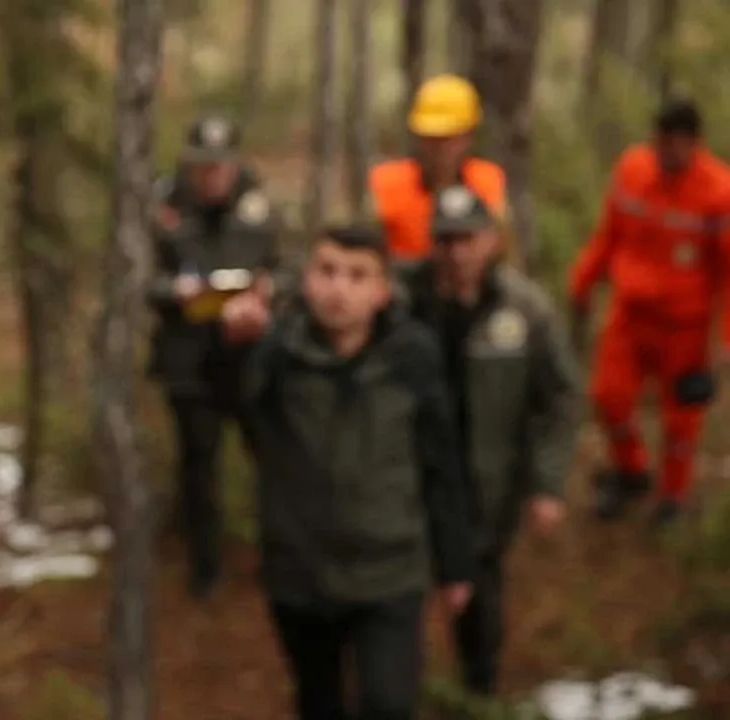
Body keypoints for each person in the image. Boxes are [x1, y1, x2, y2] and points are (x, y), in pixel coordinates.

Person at [221, 225, 475, 720]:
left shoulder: (412, 356)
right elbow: (233, 416)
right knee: (319, 704)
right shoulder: (277, 354)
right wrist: (233, 348)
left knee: (388, 704)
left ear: (382, 292)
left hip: (389, 573)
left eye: (358, 276)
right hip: (300, 573)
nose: (339, 289)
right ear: (307, 279)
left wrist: (456, 565)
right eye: (328, 271)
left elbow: (441, 463)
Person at [398, 186, 579, 697]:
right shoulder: (403, 303)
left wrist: (546, 484)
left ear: (491, 241)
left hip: (489, 484)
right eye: (445, 240)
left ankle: (479, 692)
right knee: (401, 595)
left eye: (468, 240)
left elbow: (561, 397)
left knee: (480, 594)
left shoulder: (525, 310)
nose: (456, 253)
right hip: (411, 479)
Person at [568, 99, 730, 526]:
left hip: (685, 328)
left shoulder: (717, 191)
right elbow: (609, 234)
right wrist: (583, 281)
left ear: (694, 143)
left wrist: (724, 341)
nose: (667, 151)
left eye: (676, 143)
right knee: (609, 397)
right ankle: (631, 470)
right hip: (629, 314)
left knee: (681, 422)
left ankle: (673, 497)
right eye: (661, 140)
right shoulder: (633, 170)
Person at [146, 113, 280, 599]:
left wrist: (265, 297)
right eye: (203, 166)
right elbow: (141, 280)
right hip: (188, 361)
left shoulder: (261, 206)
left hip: (250, 356)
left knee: (271, 459)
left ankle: (276, 560)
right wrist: (178, 294)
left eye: (220, 166)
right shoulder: (163, 206)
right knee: (198, 468)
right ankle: (205, 570)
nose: (212, 176)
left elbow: (287, 272)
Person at [368, 74, 508, 260]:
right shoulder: (386, 183)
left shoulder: (487, 181)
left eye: (448, 138)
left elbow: (502, 251)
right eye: (429, 138)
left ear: (469, 136)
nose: (438, 148)